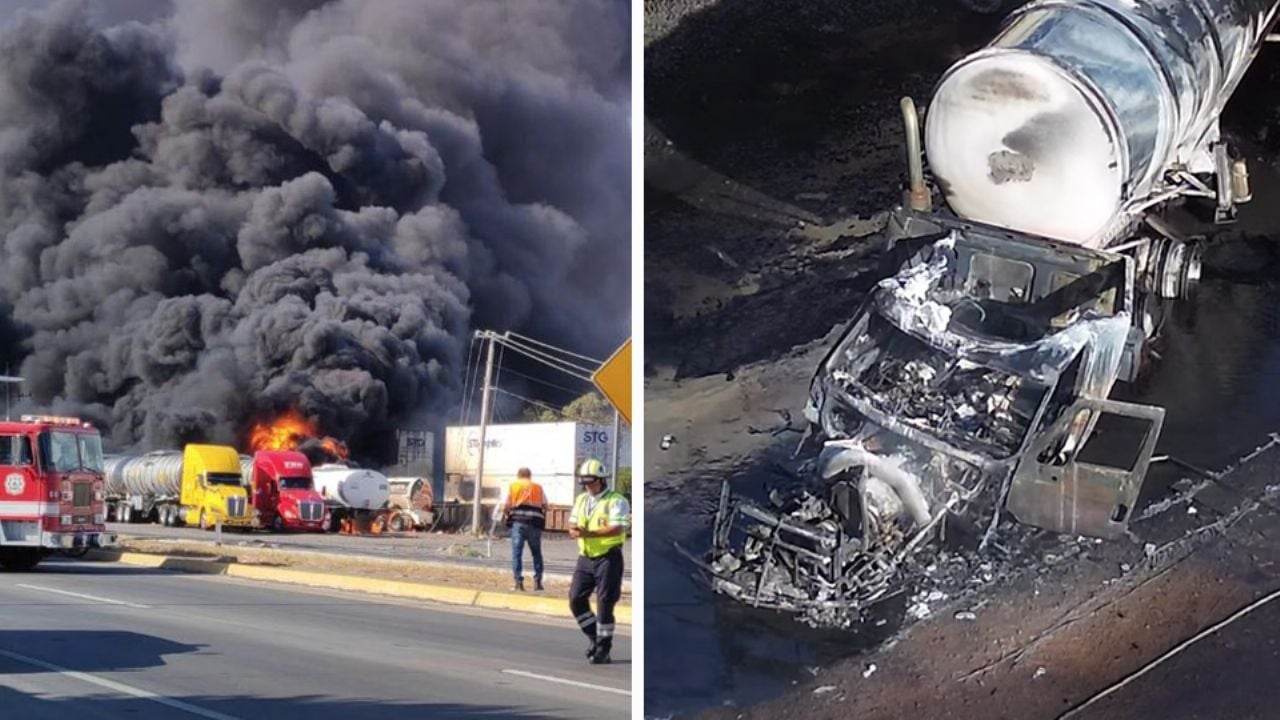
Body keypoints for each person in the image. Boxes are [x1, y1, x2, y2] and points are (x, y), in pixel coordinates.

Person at [567, 458, 630, 664]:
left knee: (605, 603)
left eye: (591, 482)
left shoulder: (616, 500)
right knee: (576, 599)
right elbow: (573, 523)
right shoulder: (582, 500)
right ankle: (594, 637)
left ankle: (604, 649)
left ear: (601, 480)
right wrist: (574, 531)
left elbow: (618, 527)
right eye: (584, 483)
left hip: (608, 557)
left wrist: (589, 533)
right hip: (585, 557)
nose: (587, 486)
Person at [501, 467, 547, 591]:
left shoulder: (513, 486)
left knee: (517, 553)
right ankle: (538, 582)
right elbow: (545, 505)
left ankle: (518, 583)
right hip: (535, 524)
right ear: (530, 475)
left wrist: (506, 515)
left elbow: (506, 506)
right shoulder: (538, 487)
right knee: (536, 553)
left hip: (518, 523)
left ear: (518, 475)